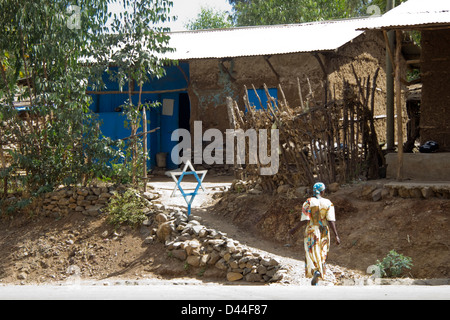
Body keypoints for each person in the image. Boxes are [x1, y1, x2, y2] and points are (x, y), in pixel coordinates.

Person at [289, 182, 341, 285]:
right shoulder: (328, 203)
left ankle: (315, 271)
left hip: (311, 230)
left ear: (314, 190)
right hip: (324, 231)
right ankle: (317, 276)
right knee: (322, 252)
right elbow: (331, 220)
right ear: (323, 191)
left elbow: (305, 219)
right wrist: (336, 235)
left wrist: (294, 229)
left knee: (311, 252)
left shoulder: (308, 202)